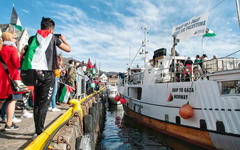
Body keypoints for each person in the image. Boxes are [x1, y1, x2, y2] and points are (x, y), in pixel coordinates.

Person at [25, 17, 70, 137]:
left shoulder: (32, 38)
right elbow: (68, 49)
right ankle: (40, 132)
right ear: (51, 29)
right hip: (48, 73)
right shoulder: (54, 38)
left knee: (37, 103)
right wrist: (64, 40)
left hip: (35, 72)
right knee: (44, 103)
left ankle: (36, 130)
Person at [0, 32, 20, 130]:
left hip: (2, 78)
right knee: (12, 100)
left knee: (1, 100)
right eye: (14, 38)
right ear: (10, 39)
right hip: (11, 78)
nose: (16, 39)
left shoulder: (1, 48)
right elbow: (17, 64)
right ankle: (9, 123)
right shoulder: (12, 49)